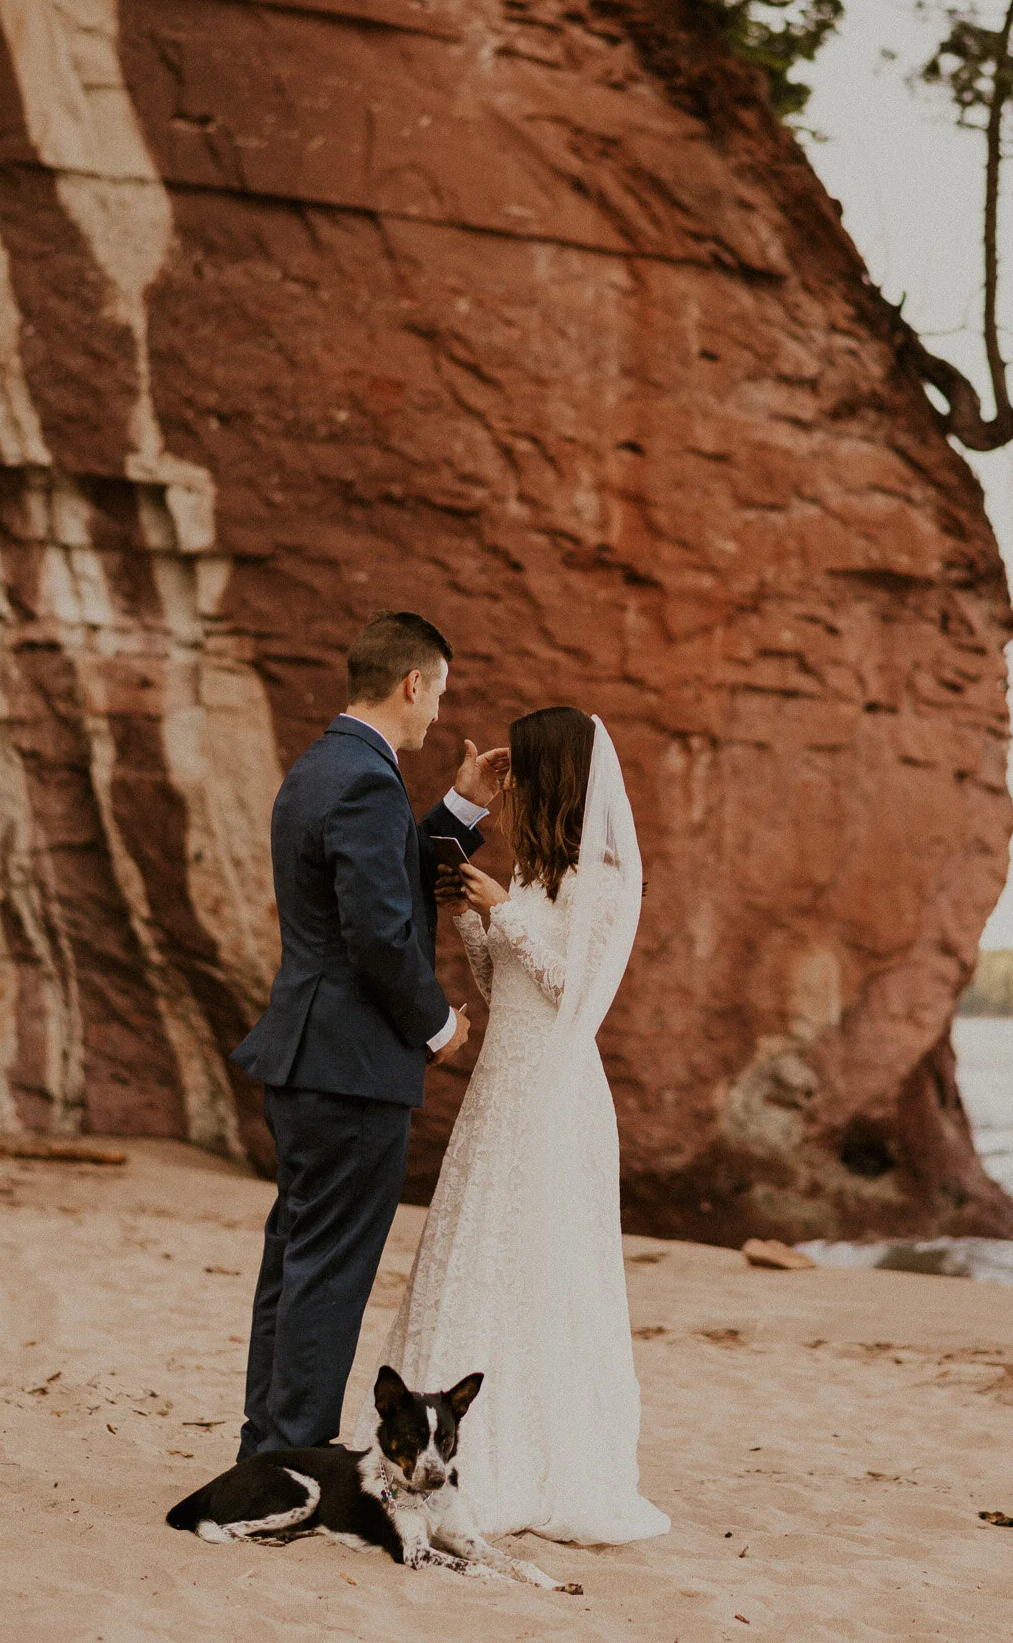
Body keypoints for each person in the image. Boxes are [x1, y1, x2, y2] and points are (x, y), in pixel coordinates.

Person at [355, 706, 669, 1546]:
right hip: (502, 1084)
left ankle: (530, 1456)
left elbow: (576, 994)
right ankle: (429, 1446)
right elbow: (506, 991)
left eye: (526, 770)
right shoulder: (532, 877)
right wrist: (473, 909)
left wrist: (506, 911)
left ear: (557, 775)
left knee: (539, 1258)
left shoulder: (602, 879)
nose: (517, 785)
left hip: (556, 1090)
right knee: (473, 1244)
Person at [230, 611, 509, 1461]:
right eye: (439, 695)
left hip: (309, 1055)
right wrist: (436, 1027)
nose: (435, 717)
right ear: (413, 684)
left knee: (297, 1260)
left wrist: (463, 803)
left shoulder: (327, 767)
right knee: (329, 1270)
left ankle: (269, 1447)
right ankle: (291, 1457)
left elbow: (387, 868)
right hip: (350, 1066)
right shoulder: (363, 780)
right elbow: (379, 932)